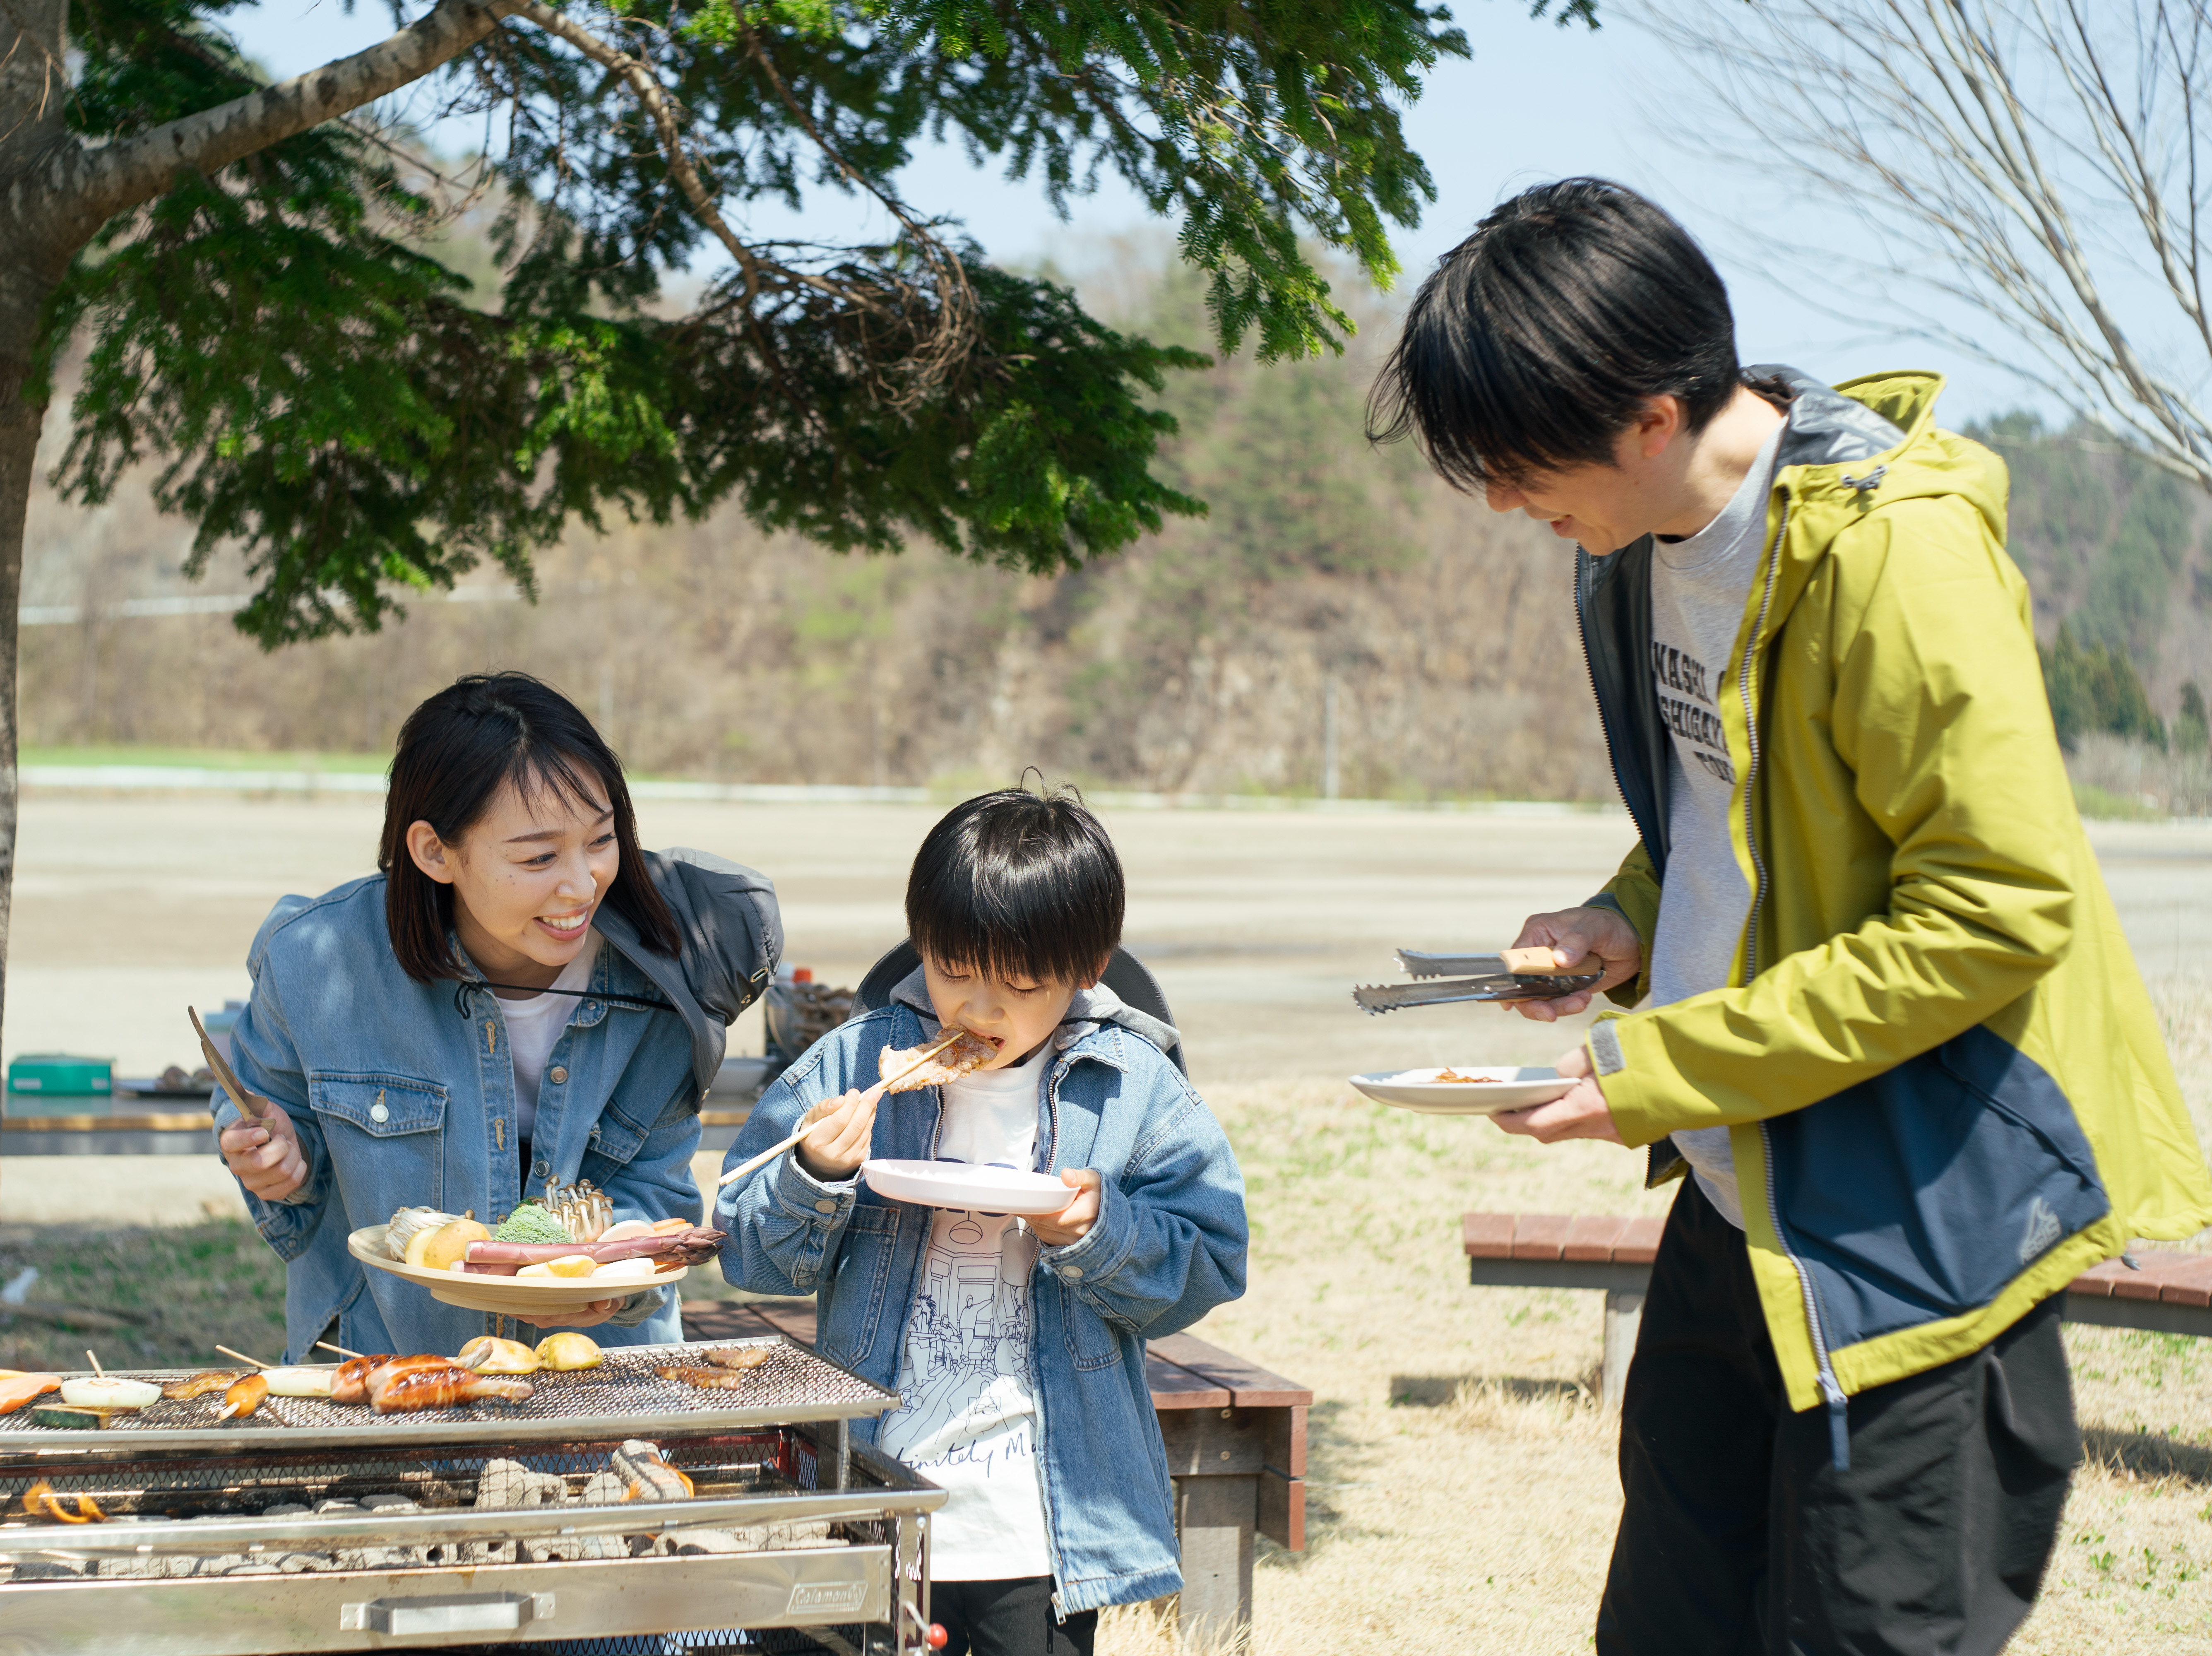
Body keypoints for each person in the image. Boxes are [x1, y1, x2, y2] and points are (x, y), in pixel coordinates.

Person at [1368, 178, 2212, 1655]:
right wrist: (1626, 918)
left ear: (1646, 414)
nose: (1507, 503)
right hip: (1736, 1198)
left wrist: (1655, 1072)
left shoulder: (1892, 549)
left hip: (1915, 1216)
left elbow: (1996, 909)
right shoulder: (1641, 553)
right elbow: (1737, 806)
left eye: (1515, 462)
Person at [716, 787, 1248, 1656]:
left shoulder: (1133, 1081)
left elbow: (1214, 1258)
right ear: (921, 941)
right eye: (955, 968)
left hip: (1039, 1517)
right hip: (864, 1493)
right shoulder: (853, 1060)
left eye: (1022, 983)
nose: (980, 1009)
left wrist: (1096, 1232)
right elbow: (747, 1249)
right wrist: (815, 1174)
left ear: (1089, 967)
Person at [213, 672, 780, 1359]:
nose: (582, 885)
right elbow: (266, 1117)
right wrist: (277, 1161)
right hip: (386, 1368)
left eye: (601, 841)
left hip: (598, 1380)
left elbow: (654, 1189)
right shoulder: (314, 959)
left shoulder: (665, 974)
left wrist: (612, 1274)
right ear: (434, 852)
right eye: (539, 856)